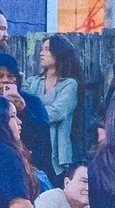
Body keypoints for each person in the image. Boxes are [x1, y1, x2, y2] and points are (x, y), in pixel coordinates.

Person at [0, 53, 53, 181]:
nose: (5, 80)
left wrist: (24, 110)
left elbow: (43, 135)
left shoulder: (32, 102)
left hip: (31, 168)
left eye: (10, 76)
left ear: (17, 80)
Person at [24, 35, 83, 176]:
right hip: (32, 146)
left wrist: (28, 110)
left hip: (54, 152)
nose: (41, 53)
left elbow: (57, 112)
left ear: (59, 52)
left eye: (47, 49)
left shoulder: (69, 84)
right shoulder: (32, 81)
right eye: (41, 49)